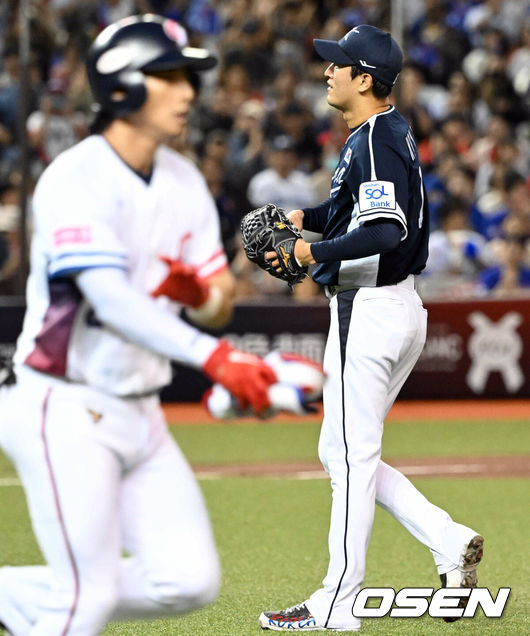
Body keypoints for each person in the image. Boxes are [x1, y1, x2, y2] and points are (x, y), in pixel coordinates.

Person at [0, 15, 278, 636]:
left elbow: (220, 301)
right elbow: (111, 300)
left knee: (186, 580)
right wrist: (215, 358)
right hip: (62, 402)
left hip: (140, 411)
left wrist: (202, 295)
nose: (188, 92)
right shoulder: (75, 177)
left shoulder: (182, 181)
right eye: (169, 76)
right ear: (122, 85)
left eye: (188, 78)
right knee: (88, 594)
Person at [259, 25, 484, 632]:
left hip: (372, 307)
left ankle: (338, 601)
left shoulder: (377, 140)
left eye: (338, 65)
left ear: (365, 79)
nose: (326, 72)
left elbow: (385, 233)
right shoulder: (380, 133)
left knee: (353, 457)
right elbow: (353, 208)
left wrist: (310, 255)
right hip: (393, 307)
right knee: (342, 452)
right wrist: (301, 218)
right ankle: (447, 538)